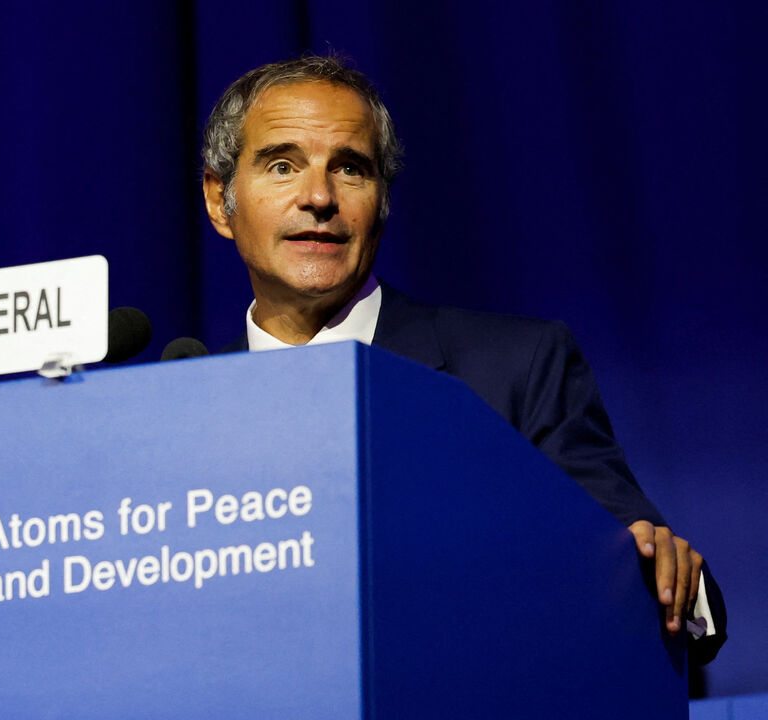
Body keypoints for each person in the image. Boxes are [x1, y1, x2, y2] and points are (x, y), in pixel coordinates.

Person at [200, 55, 725, 663]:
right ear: (221, 200)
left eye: (350, 170)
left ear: (382, 200)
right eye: (283, 165)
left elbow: (660, 579)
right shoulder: (177, 417)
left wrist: (664, 581)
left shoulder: (515, 370)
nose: (318, 198)